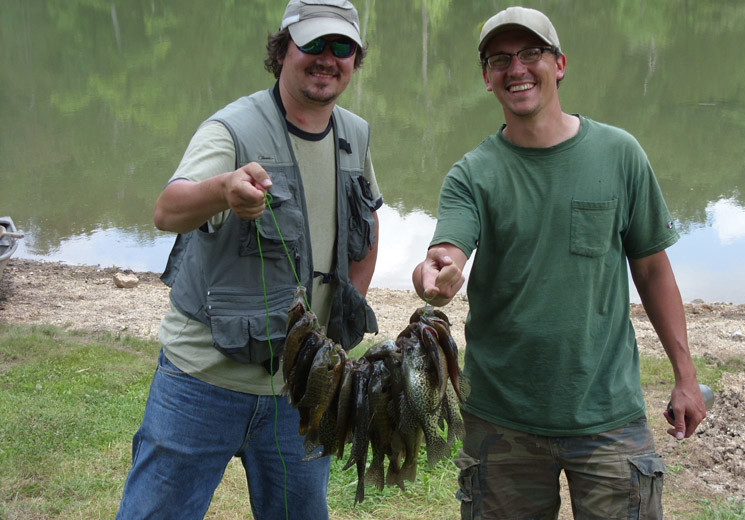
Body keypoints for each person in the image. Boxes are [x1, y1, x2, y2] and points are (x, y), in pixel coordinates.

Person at [412, 7, 706, 520]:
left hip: (608, 414)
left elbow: (653, 269)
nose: (517, 69)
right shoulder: (472, 174)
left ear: (560, 64)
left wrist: (684, 374)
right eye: (500, 59)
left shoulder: (620, 154)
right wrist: (433, 278)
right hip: (502, 419)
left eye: (531, 54)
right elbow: (443, 255)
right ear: (486, 78)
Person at [115, 1, 381, 518]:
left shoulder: (357, 135)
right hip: (201, 383)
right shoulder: (230, 129)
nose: (327, 58)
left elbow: (366, 231)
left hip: (302, 392)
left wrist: (344, 318)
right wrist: (224, 189)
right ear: (282, 50)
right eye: (312, 44)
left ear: (354, 60)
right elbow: (168, 210)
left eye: (341, 47)